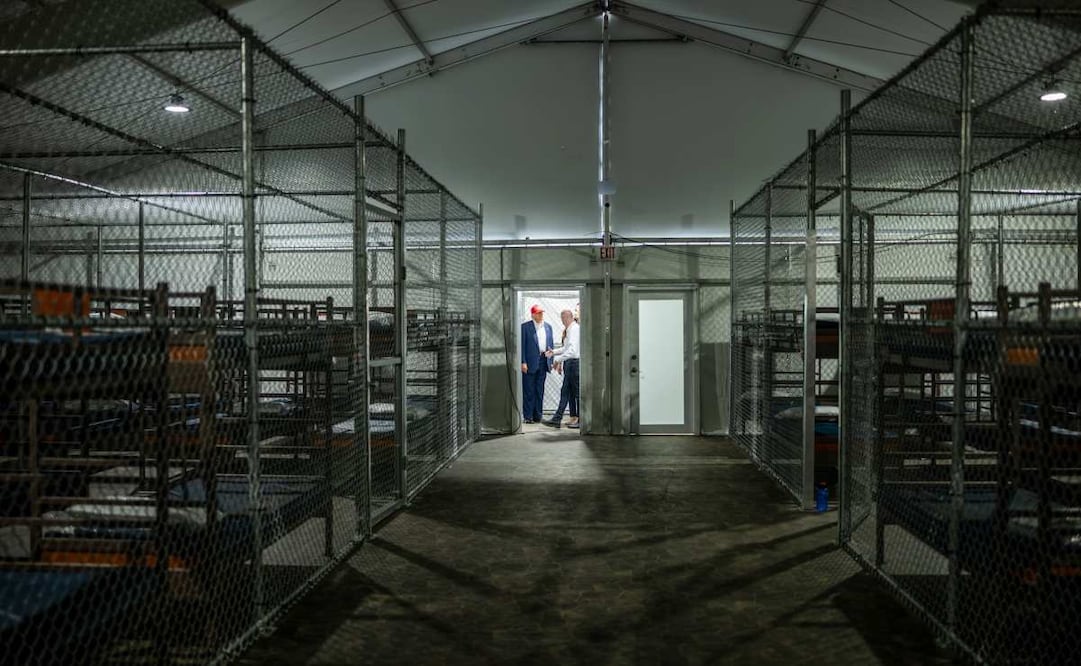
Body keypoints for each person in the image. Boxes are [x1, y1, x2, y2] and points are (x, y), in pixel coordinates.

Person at [543, 309, 580, 429]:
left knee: (576, 393)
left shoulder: (573, 329)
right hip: (571, 364)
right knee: (566, 392)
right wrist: (553, 352)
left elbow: (572, 351)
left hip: (574, 364)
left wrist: (558, 360)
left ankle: (580, 419)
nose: (562, 321)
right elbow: (566, 348)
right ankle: (557, 418)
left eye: (562, 318)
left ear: (567, 317)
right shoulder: (570, 330)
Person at [520, 304, 554, 424]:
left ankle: (537, 415)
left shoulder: (548, 327)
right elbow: (522, 346)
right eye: (538, 313)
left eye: (541, 313)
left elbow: (551, 345)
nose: (541, 315)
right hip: (530, 362)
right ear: (533, 314)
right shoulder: (525, 327)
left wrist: (551, 361)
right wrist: (523, 361)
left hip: (543, 361)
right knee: (529, 389)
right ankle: (528, 416)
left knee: (540, 389)